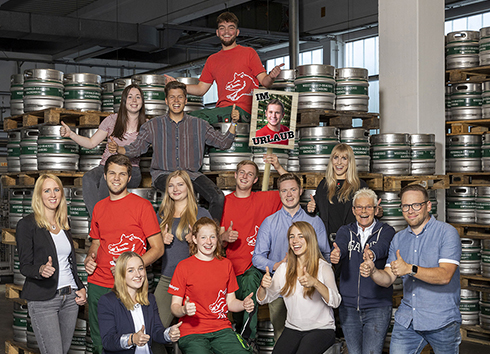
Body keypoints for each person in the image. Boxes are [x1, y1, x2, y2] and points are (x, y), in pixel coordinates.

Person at [108, 80, 237, 222]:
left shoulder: (200, 125)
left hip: (191, 175)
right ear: (166, 101)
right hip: (163, 174)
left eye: (180, 97)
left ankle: (207, 233)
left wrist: (233, 123)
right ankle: (166, 232)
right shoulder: (153, 125)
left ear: (186, 100)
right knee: (179, 194)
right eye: (172, 97)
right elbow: (137, 148)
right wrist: (119, 149)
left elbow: (223, 143)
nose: (176, 101)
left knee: (217, 196)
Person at [360, 184, 461, 354]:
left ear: (428, 206)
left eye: (416, 205)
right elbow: (387, 279)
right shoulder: (399, 239)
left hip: (441, 321)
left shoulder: (447, 233)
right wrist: (373, 271)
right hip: (408, 320)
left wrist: (410, 269)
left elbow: (445, 276)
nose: (410, 210)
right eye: (406, 206)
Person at [85, 154, 164, 354]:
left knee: (130, 342)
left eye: (122, 174)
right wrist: (90, 257)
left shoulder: (142, 207)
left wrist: (130, 269)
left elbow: (158, 248)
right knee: (100, 342)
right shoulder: (99, 208)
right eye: (112, 173)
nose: (116, 178)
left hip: (129, 288)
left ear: (129, 178)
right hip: (98, 283)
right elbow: (95, 242)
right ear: (104, 176)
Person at [165, 11, 284, 124]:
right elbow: (201, 89)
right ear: (217, 32)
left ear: (237, 32)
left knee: (196, 118)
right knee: (193, 123)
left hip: (244, 111)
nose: (226, 31)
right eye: (222, 28)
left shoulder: (249, 53)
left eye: (231, 27)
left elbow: (265, 81)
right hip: (222, 110)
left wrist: (271, 76)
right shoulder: (212, 60)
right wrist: (178, 84)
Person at [252, 173, 331, 341]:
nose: (289, 195)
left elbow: (326, 255)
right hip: (280, 290)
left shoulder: (315, 221)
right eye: (284, 191)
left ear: (301, 191)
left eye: (293, 189)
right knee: (282, 340)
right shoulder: (269, 222)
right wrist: (277, 265)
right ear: (279, 193)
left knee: (310, 340)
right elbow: (257, 257)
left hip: (310, 290)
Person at [16, 174, 87, 354]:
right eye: (47, 190)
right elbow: (24, 265)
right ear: (39, 195)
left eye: (56, 190)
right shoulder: (27, 224)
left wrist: (80, 287)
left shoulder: (64, 223)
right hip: (43, 300)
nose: (52, 194)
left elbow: (69, 262)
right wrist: (40, 269)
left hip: (70, 298)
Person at [220, 156, 286, 345]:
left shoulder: (264, 199)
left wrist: (277, 166)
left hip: (253, 266)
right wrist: (224, 238)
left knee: (249, 287)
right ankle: (240, 340)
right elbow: (215, 240)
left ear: (255, 180)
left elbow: (291, 189)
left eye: (250, 174)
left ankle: (247, 339)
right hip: (231, 266)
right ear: (235, 175)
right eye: (242, 172)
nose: (245, 176)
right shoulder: (224, 202)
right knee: (238, 307)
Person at [168, 217, 255, 354]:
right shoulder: (183, 267)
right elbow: (174, 307)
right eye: (203, 237)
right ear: (195, 239)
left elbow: (230, 302)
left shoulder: (226, 264)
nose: (208, 242)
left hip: (221, 330)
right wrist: (184, 310)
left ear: (217, 239)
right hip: (192, 332)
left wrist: (244, 304)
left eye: (212, 237)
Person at [60, 84, 146, 217]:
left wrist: (119, 149)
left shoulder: (147, 126)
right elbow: (91, 143)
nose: (134, 100)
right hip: (105, 166)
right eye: (130, 97)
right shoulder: (112, 120)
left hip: (130, 169)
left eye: (138, 97)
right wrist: (71, 134)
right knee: (88, 178)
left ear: (142, 101)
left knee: (106, 181)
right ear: (124, 101)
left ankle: (102, 222)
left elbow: (141, 149)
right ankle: (98, 219)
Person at [257, 221, 341, 354]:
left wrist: (316, 283)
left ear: (310, 239)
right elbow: (263, 299)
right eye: (292, 236)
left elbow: (335, 301)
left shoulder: (323, 267)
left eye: (300, 236)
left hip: (321, 329)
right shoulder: (284, 268)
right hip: (293, 329)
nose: (295, 240)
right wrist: (263, 286)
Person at [333, 188, 395, 354]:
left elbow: (382, 246)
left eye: (368, 207)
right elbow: (342, 245)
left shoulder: (386, 231)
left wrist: (372, 254)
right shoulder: (345, 231)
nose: (363, 211)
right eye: (359, 207)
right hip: (349, 307)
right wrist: (338, 253)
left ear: (376, 209)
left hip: (378, 307)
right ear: (353, 210)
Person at [154, 170, 212, 331]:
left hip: (196, 281)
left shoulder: (201, 214)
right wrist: (160, 240)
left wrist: (196, 242)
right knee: (155, 329)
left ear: (189, 187)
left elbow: (214, 252)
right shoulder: (162, 215)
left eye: (180, 184)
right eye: (171, 185)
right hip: (168, 279)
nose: (175, 189)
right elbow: (150, 248)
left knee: (193, 334)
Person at [98, 251, 181, 354]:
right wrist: (132, 339)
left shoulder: (149, 299)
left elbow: (156, 330)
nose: (138, 274)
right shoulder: (108, 301)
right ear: (121, 274)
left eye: (140, 268)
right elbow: (108, 341)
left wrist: (168, 334)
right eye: (131, 270)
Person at [307, 143, 372, 244]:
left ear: (350, 161)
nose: (339, 162)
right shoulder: (324, 185)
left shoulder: (360, 186)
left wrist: (377, 211)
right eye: (336, 157)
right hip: (327, 242)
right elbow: (315, 209)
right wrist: (311, 208)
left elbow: (369, 212)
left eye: (344, 158)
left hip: (352, 242)